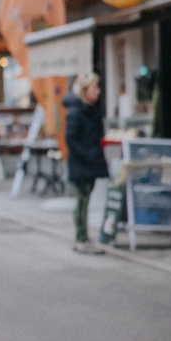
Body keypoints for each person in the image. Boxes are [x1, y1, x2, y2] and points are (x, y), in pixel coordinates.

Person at [64, 72, 109, 255]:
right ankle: (81, 239)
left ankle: (83, 238)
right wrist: (88, 155)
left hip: (89, 160)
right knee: (82, 200)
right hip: (82, 162)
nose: (98, 92)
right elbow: (71, 139)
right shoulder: (77, 112)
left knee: (85, 199)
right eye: (94, 88)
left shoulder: (90, 110)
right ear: (84, 90)